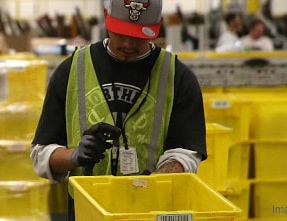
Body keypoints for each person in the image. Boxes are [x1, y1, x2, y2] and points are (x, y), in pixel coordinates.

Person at [29, 0, 207, 219]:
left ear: (158, 25)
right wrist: (74, 156)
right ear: (106, 17)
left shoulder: (177, 78)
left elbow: (186, 154)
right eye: (121, 33)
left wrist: (150, 186)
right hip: (87, 212)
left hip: (150, 212)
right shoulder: (72, 71)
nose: (128, 44)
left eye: (140, 35)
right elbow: (40, 154)